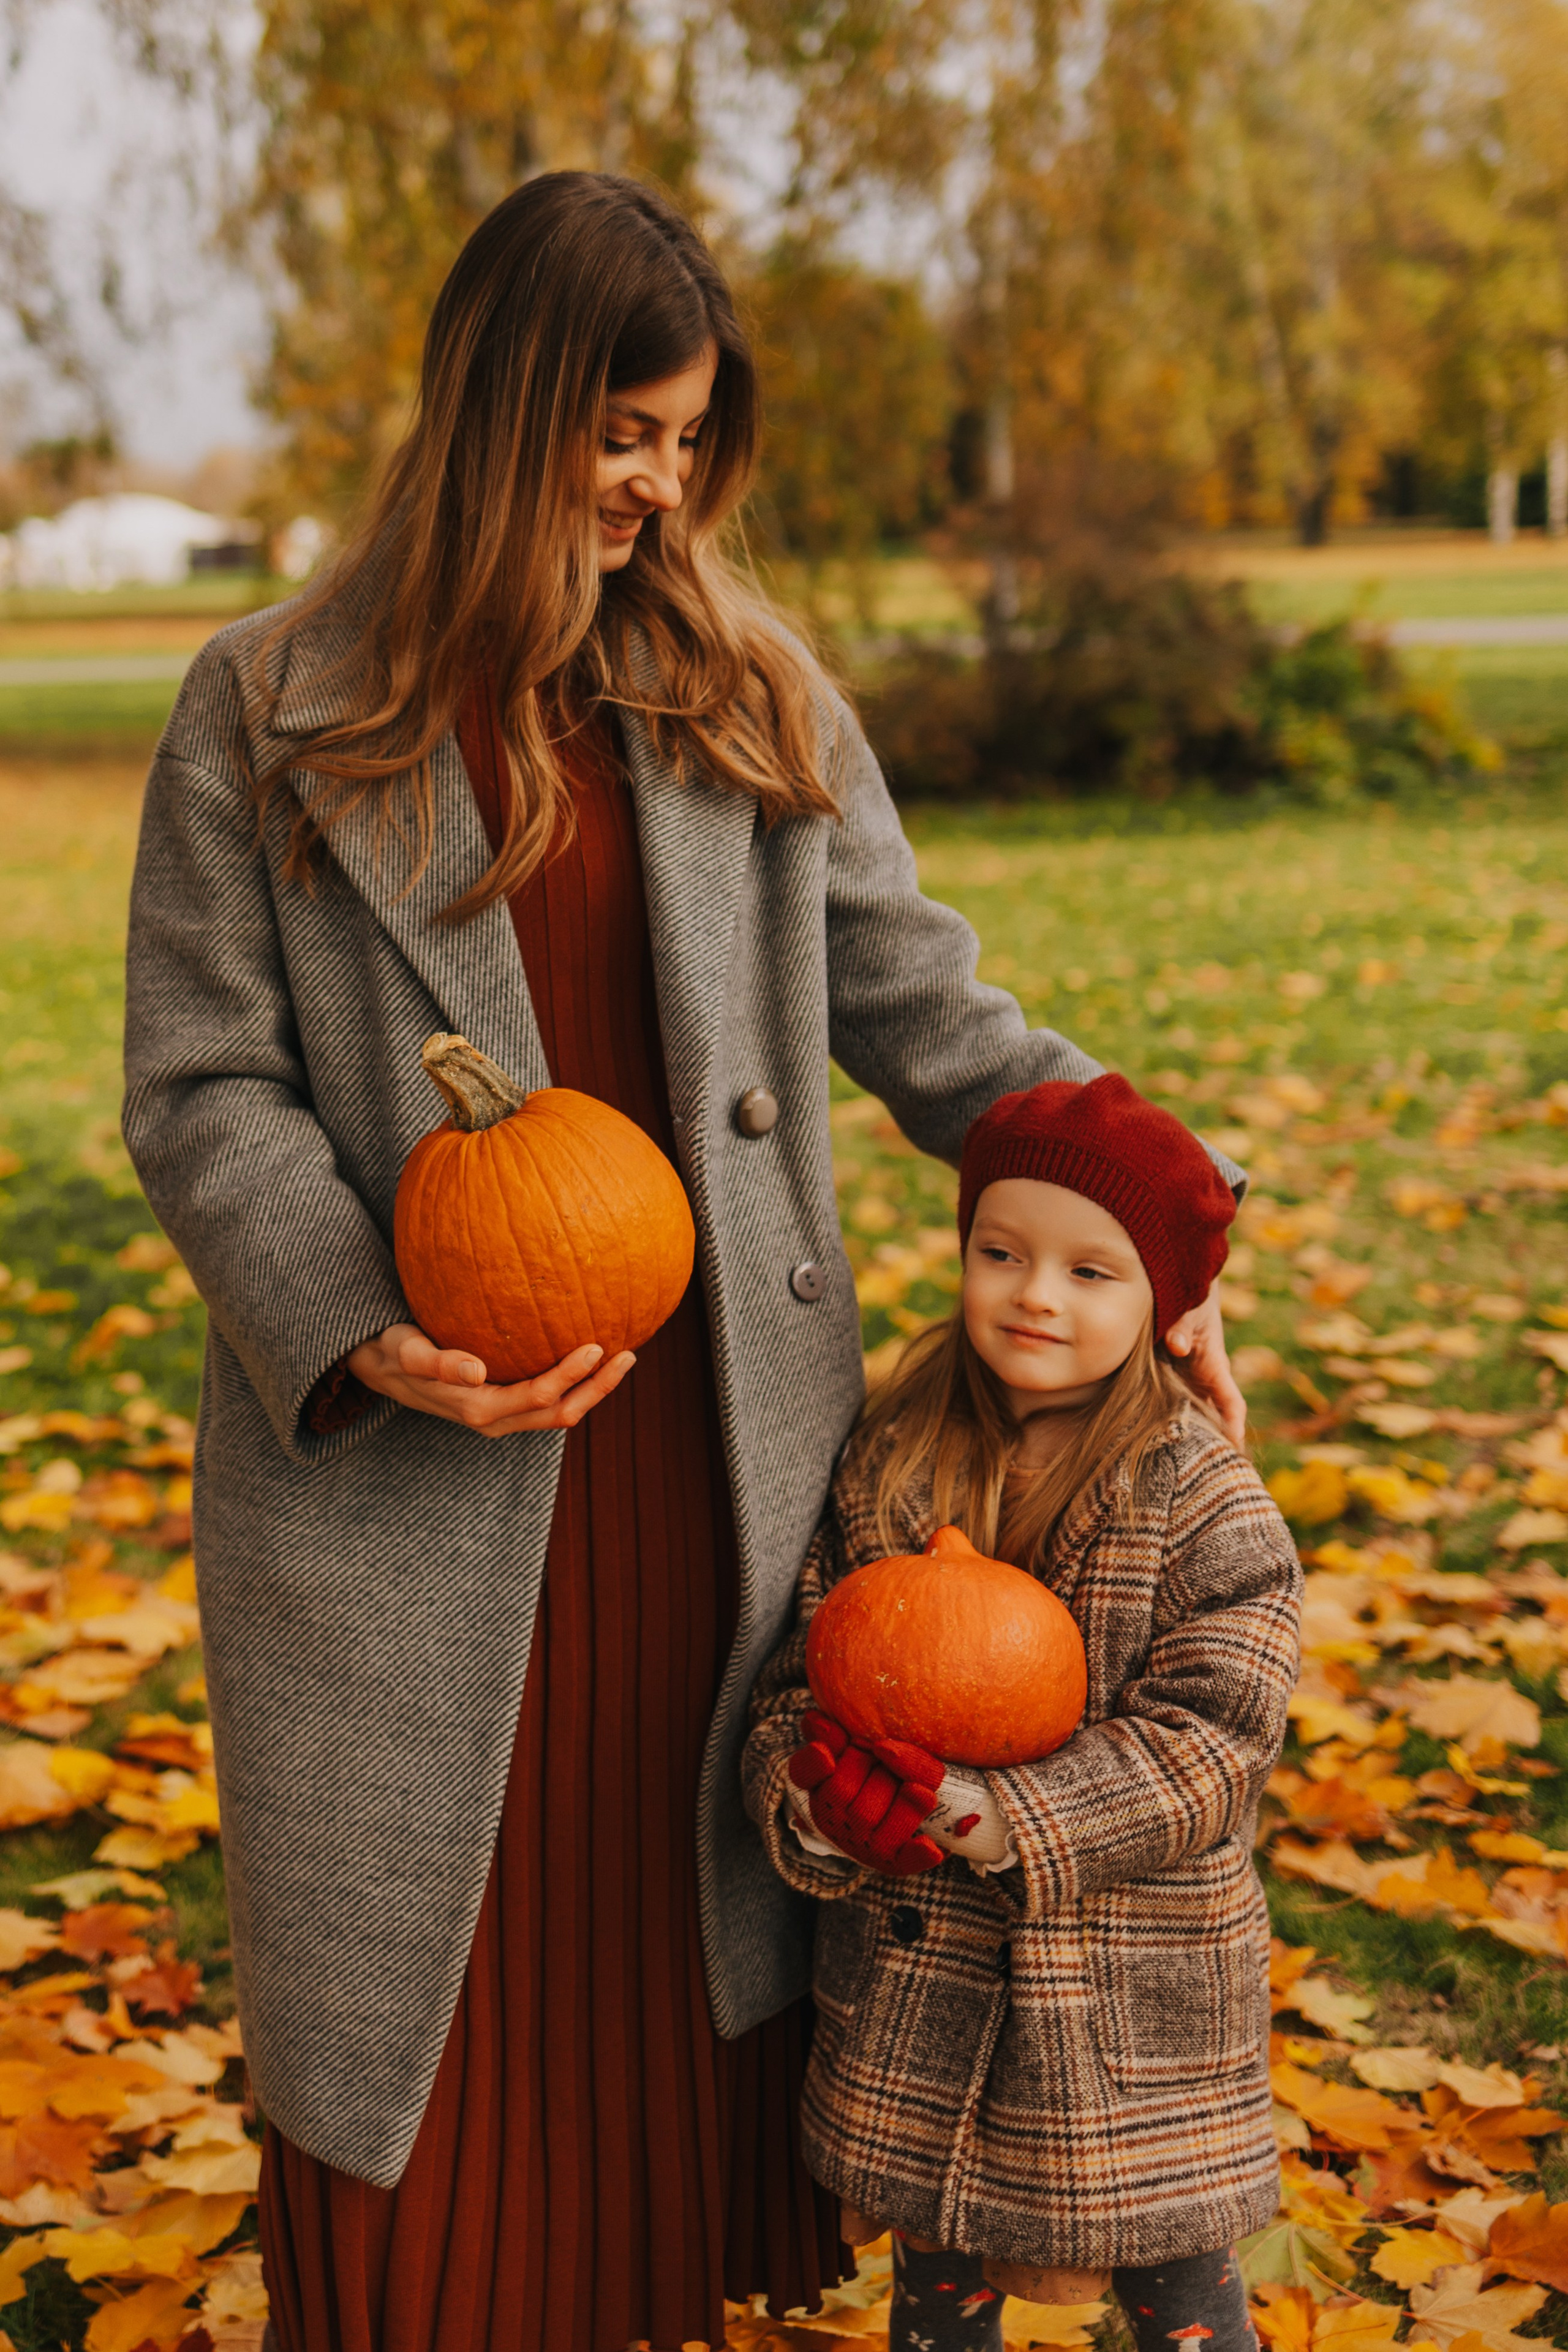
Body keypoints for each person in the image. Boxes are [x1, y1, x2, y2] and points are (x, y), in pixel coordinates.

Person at [122, 171, 1248, 2352]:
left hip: (719, 1455)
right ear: (500, 408)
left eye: (688, 439)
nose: (659, 481)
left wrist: (1163, 1219)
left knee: (682, 1930)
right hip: (412, 1457)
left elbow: (931, 1011)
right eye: (621, 431)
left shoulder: (747, 690)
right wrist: (360, 1322)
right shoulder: (268, 707)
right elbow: (201, 1086)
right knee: (423, 1978)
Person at [742, 1076, 1302, 2352]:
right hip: (922, 1979)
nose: (1035, 1294)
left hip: (1126, 1993)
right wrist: (821, 1807)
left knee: (1178, 2290)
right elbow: (801, 1675)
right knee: (937, 2275)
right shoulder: (893, 1457)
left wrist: (1006, 1819)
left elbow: (1215, 1736)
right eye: (1001, 1253)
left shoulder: (1198, 1493)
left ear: (1167, 1302)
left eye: (1089, 1272)